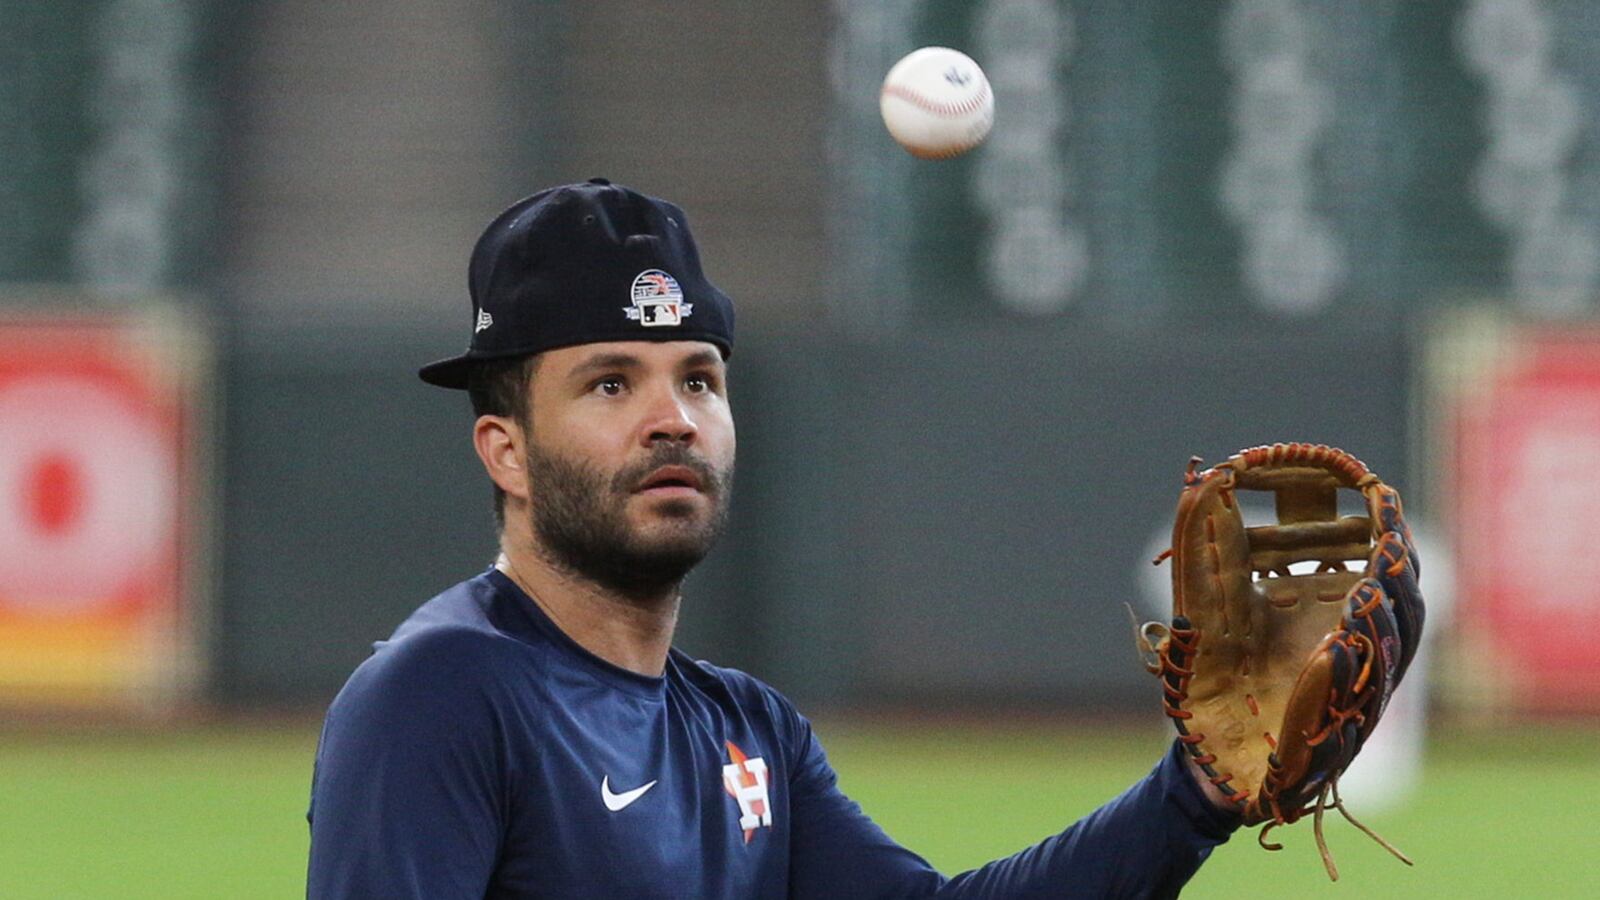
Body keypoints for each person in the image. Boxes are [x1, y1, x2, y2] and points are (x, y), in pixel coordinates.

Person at [306, 178, 1240, 898]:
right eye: (610, 383)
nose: (672, 419)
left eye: (699, 380)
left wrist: (1193, 795)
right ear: (506, 452)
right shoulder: (442, 696)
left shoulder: (747, 731)